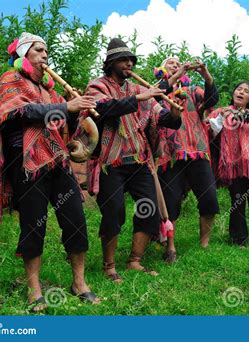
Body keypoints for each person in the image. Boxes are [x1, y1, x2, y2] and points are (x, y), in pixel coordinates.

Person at [0, 32, 100, 312]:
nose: (45, 56)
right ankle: (34, 289)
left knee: (76, 220)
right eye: (39, 50)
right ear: (23, 54)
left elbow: (60, 119)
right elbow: (19, 113)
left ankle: (79, 283)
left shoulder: (49, 89)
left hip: (57, 160)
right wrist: (65, 106)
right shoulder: (10, 79)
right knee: (33, 225)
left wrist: (78, 110)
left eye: (46, 51)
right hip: (26, 164)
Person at [74, 38, 182, 281]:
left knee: (149, 209)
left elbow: (161, 117)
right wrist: (140, 99)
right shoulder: (97, 85)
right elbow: (101, 108)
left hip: (138, 161)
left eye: (131, 60)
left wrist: (174, 113)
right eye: (124, 60)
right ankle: (109, 266)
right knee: (114, 212)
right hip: (110, 163)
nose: (129, 64)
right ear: (111, 63)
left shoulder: (135, 89)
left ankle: (135, 260)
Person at [154, 56, 220, 262]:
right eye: (170, 63)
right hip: (170, 154)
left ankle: (204, 243)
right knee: (171, 202)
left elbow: (212, 100)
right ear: (162, 69)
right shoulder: (157, 88)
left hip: (198, 150)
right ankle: (170, 247)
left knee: (209, 198)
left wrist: (205, 74)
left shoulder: (193, 91)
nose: (175, 64)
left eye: (178, 63)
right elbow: (156, 98)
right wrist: (177, 74)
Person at [208, 81, 249, 247]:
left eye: (246, 91)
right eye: (239, 89)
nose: (241, 92)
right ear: (233, 93)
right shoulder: (223, 112)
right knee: (237, 201)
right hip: (233, 165)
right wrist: (221, 118)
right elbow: (212, 132)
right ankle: (239, 240)